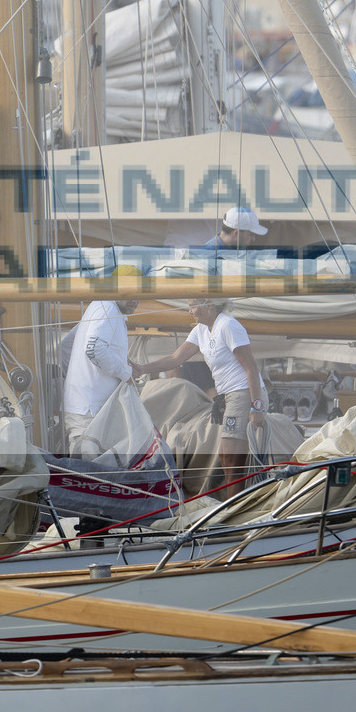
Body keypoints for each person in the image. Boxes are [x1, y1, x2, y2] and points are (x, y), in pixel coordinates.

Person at [134, 298, 266, 497]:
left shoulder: (228, 325)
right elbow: (175, 359)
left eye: (193, 306)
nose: (190, 311)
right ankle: (234, 502)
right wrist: (142, 368)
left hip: (242, 392)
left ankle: (235, 505)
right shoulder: (200, 330)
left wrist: (256, 407)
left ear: (209, 305)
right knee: (226, 455)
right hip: (226, 396)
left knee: (231, 455)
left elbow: (251, 368)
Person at [61, 265, 144, 459]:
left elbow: (66, 348)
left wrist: (80, 380)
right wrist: (125, 373)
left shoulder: (98, 306)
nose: (135, 300)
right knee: (89, 477)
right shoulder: (108, 308)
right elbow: (93, 348)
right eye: (130, 293)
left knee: (84, 475)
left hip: (84, 408)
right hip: (90, 413)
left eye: (139, 294)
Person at [203, 207, 268, 251]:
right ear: (236, 233)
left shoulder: (233, 250)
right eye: (251, 234)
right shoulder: (209, 253)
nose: (253, 239)